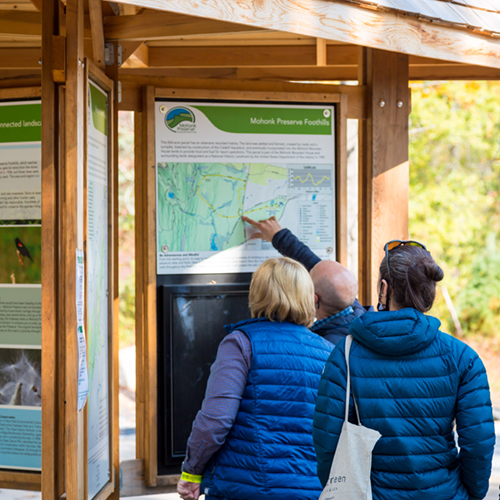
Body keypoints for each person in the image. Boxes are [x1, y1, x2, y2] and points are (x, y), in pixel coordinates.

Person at [313, 240, 496, 500]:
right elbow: (479, 442)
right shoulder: (463, 358)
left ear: (383, 289)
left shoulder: (345, 353)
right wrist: (470, 493)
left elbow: (326, 439)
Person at [178, 257, 334, 500]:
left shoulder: (240, 343)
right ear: (307, 296)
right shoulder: (328, 352)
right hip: (313, 490)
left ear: (257, 293)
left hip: (243, 488)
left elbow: (216, 419)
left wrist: (191, 471)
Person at [243, 215, 371, 345]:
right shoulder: (357, 312)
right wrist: (279, 237)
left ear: (314, 299)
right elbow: (321, 270)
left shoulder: (325, 346)